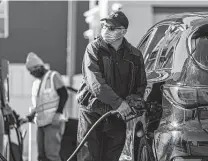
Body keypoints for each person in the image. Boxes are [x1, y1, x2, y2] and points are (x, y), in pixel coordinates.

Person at [76, 10, 147, 161]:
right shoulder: (94, 49)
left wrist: (130, 103)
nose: (106, 30)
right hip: (92, 112)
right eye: (104, 26)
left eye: (111, 28)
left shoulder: (134, 55)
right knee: (88, 157)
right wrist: (119, 103)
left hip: (117, 116)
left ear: (123, 32)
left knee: (111, 157)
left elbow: (140, 86)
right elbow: (95, 83)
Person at [24, 52, 68, 161]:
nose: (32, 73)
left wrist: (58, 113)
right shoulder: (37, 83)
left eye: (33, 70)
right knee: (41, 155)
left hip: (53, 122)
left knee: (52, 155)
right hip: (41, 123)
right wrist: (29, 116)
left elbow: (64, 94)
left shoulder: (53, 76)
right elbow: (39, 105)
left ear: (39, 67)